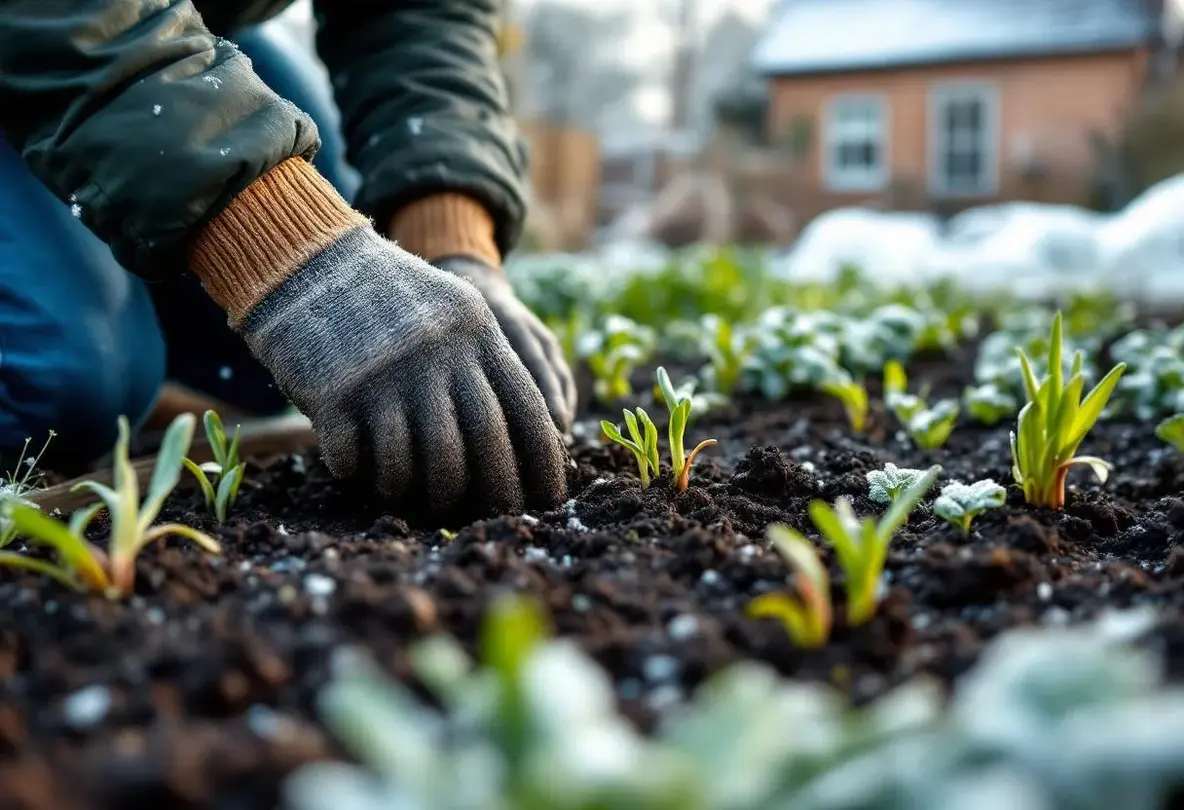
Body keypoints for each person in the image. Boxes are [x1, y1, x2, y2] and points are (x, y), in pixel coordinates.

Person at [0, 1, 576, 515]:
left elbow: (420, 15)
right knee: (50, 384)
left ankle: (126, 316)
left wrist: (453, 247)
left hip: (167, 32)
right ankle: (115, 343)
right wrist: (296, 268)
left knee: (268, 372)